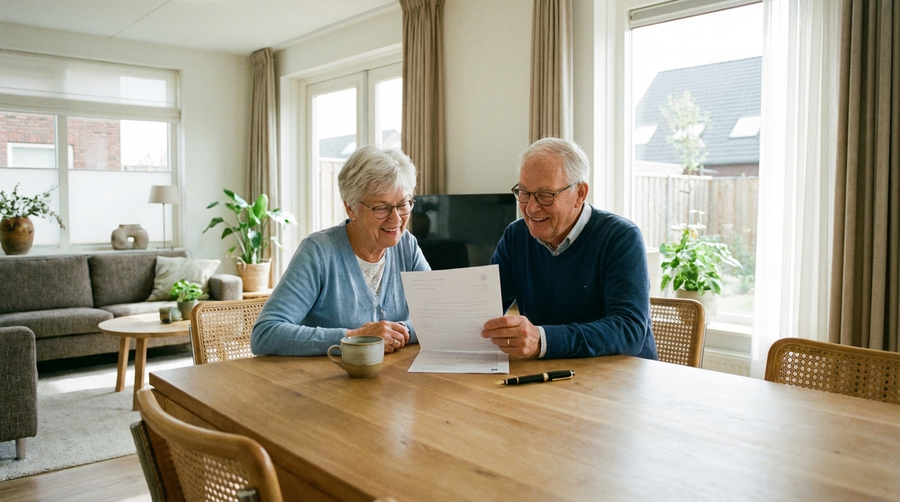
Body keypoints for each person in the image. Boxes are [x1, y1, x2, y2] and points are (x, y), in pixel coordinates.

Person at [481, 138, 658, 360]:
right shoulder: (516, 236)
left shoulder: (621, 237)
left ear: (580, 194)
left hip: (620, 379)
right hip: (550, 374)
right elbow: (484, 306)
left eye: (545, 195)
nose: (531, 207)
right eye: (524, 193)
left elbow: (629, 331)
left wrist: (542, 339)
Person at [251, 145, 430, 356]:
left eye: (403, 204)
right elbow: (265, 334)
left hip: (392, 381)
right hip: (326, 384)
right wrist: (354, 337)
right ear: (351, 209)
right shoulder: (318, 252)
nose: (397, 218)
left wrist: (403, 331)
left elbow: (438, 315)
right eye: (381, 208)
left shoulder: (407, 246)